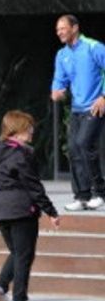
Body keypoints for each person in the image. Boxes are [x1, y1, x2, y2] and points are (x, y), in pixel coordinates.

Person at [0, 110, 61, 301]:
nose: (32, 131)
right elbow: (33, 186)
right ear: (16, 130)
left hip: (0, 209)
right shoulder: (21, 155)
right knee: (24, 255)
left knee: (18, 252)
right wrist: (51, 211)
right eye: (28, 127)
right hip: (21, 209)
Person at [50, 14, 105, 211]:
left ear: (74, 28)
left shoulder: (93, 47)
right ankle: (82, 196)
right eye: (57, 30)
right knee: (73, 149)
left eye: (63, 28)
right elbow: (59, 80)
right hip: (76, 108)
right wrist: (56, 91)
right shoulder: (62, 54)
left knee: (84, 144)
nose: (59, 33)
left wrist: (103, 97)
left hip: (95, 106)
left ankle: (100, 192)